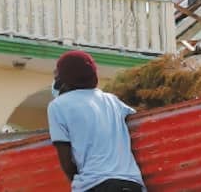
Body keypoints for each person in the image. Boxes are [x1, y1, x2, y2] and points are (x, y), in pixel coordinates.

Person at [47, 50, 145, 192]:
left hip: (95, 185)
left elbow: (66, 161)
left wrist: (80, 182)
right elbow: (139, 117)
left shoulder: (58, 106)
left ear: (64, 79)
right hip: (131, 183)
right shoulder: (112, 100)